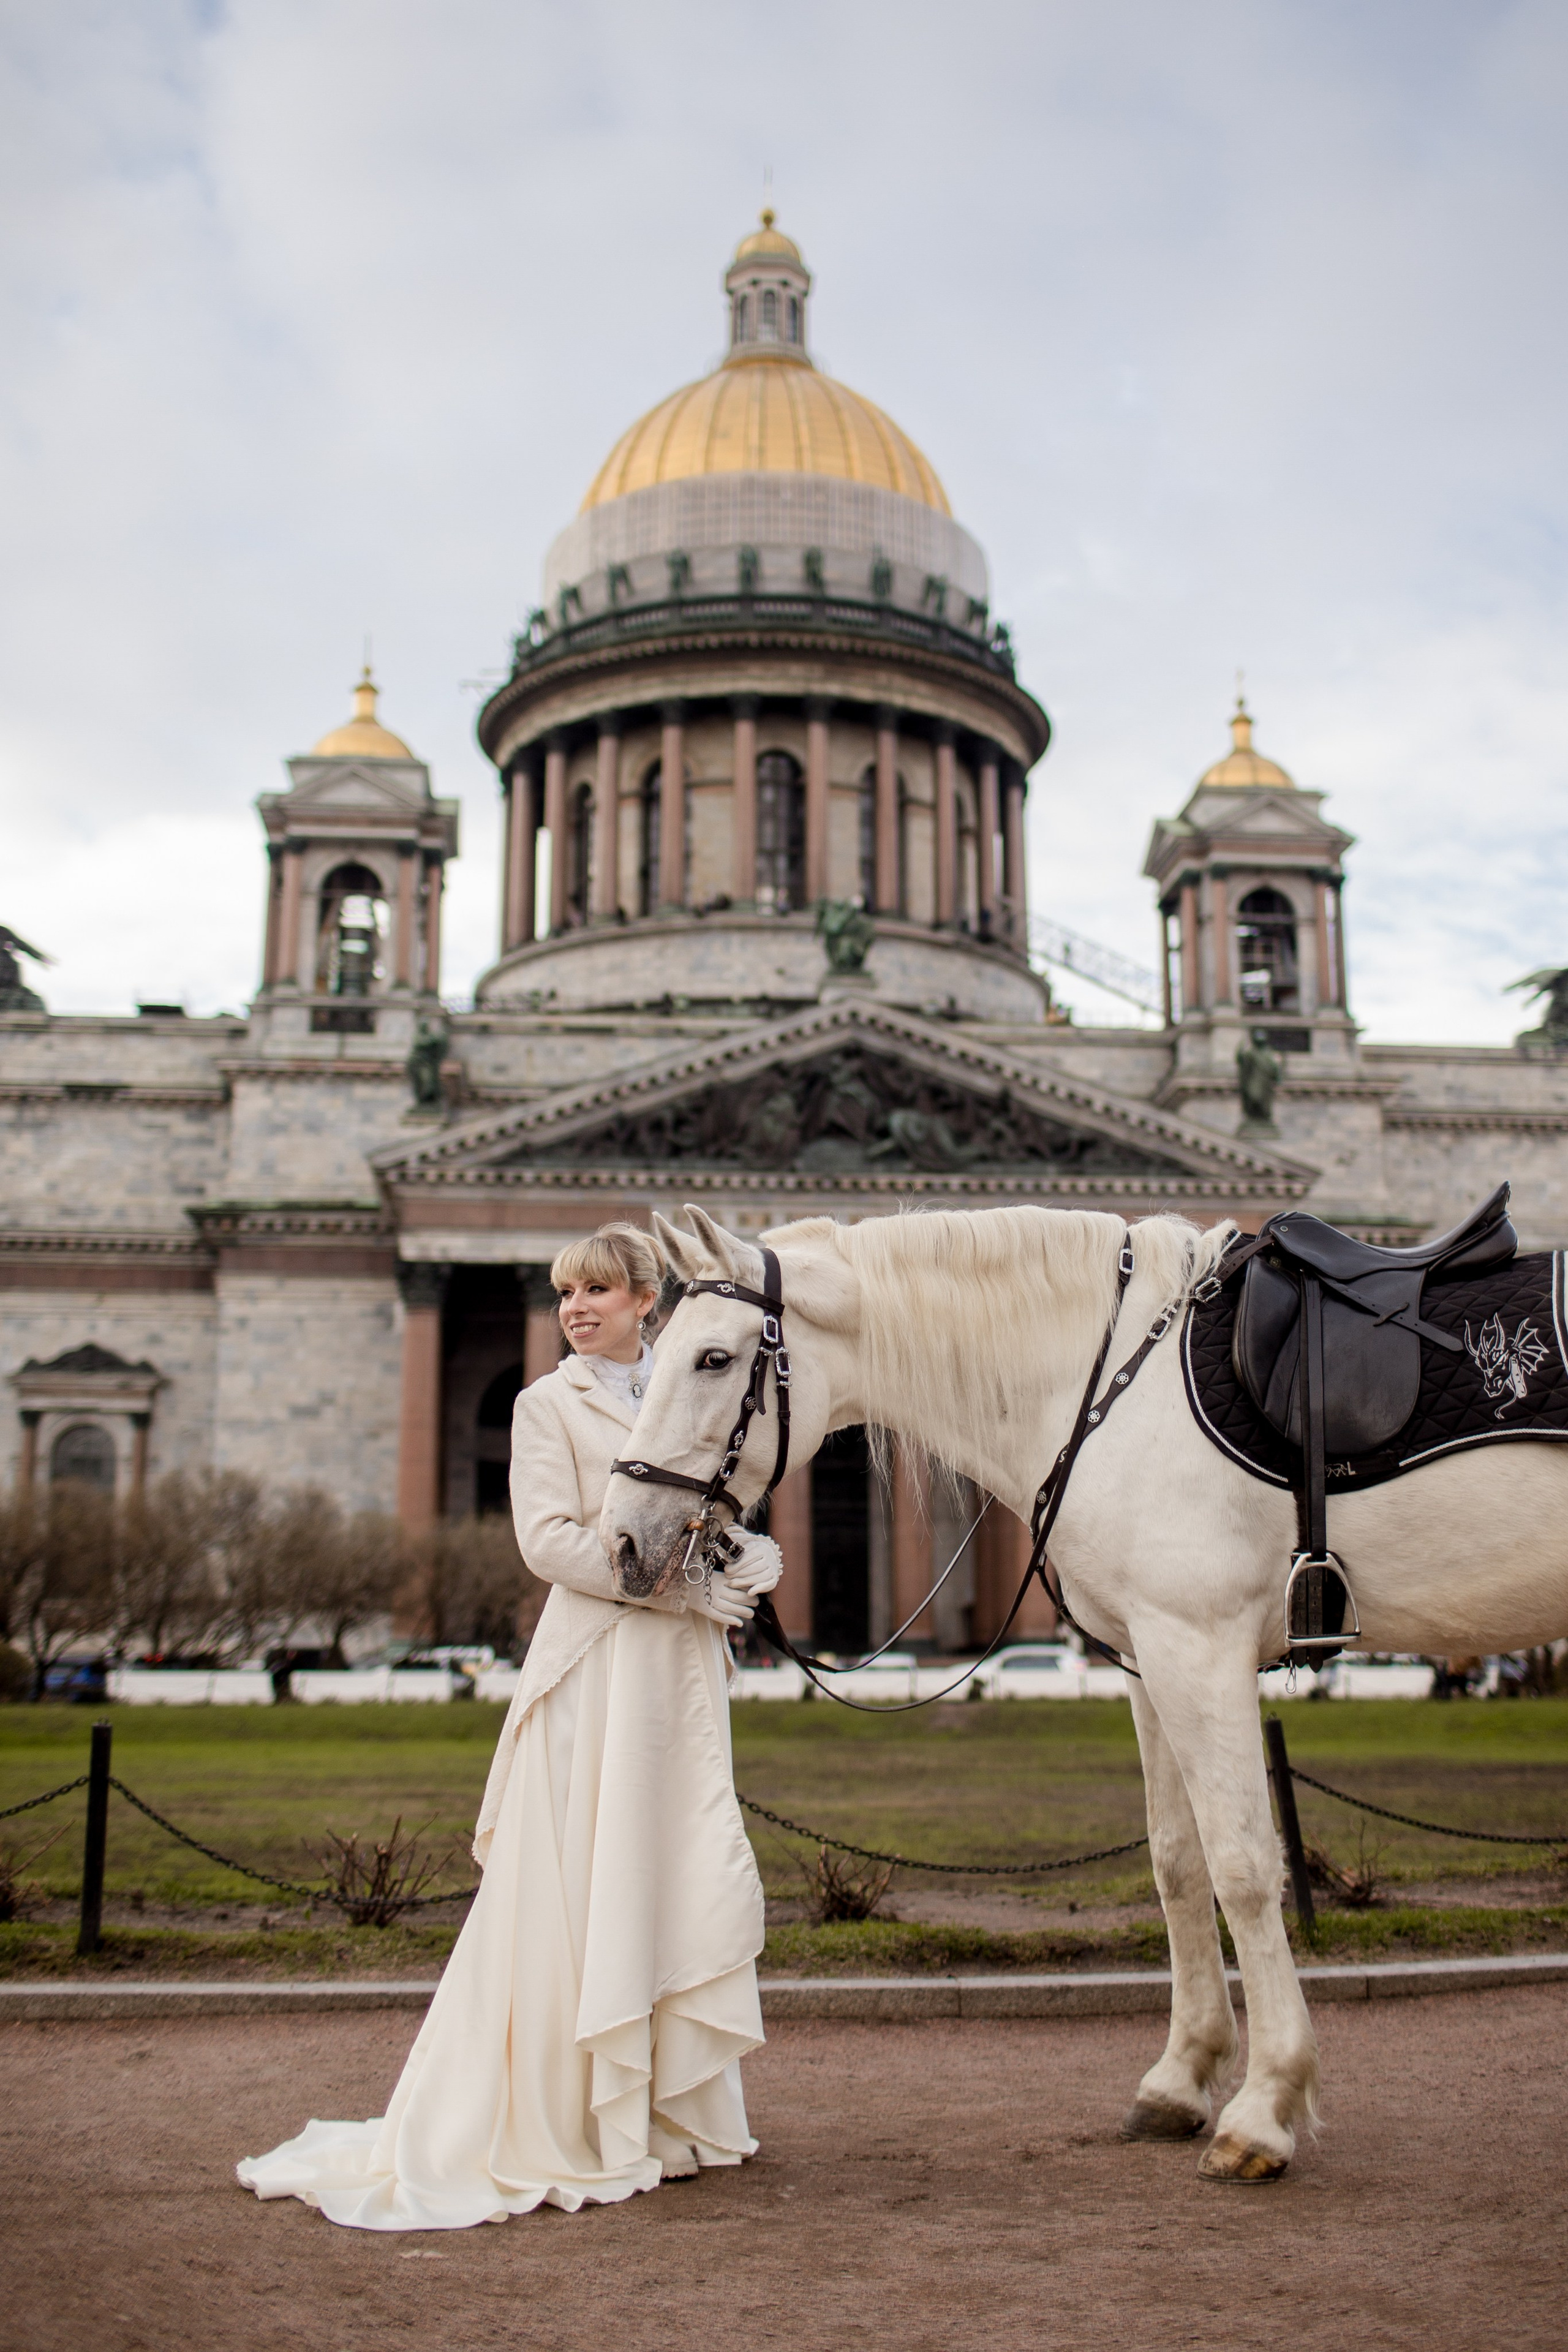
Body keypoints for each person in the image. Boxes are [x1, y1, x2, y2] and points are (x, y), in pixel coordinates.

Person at [236, 1222, 782, 2230]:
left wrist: (745, 1563)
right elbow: (551, 1545)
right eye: (565, 1292)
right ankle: (570, 2115)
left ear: (646, 1302)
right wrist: (681, 1593)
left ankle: (666, 2113)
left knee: (673, 1861)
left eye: (598, 1292)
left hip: (674, 1677)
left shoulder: (692, 1386)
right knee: (584, 1876)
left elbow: (715, 1511)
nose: (575, 1308)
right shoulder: (546, 1404)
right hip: (595, 1665)